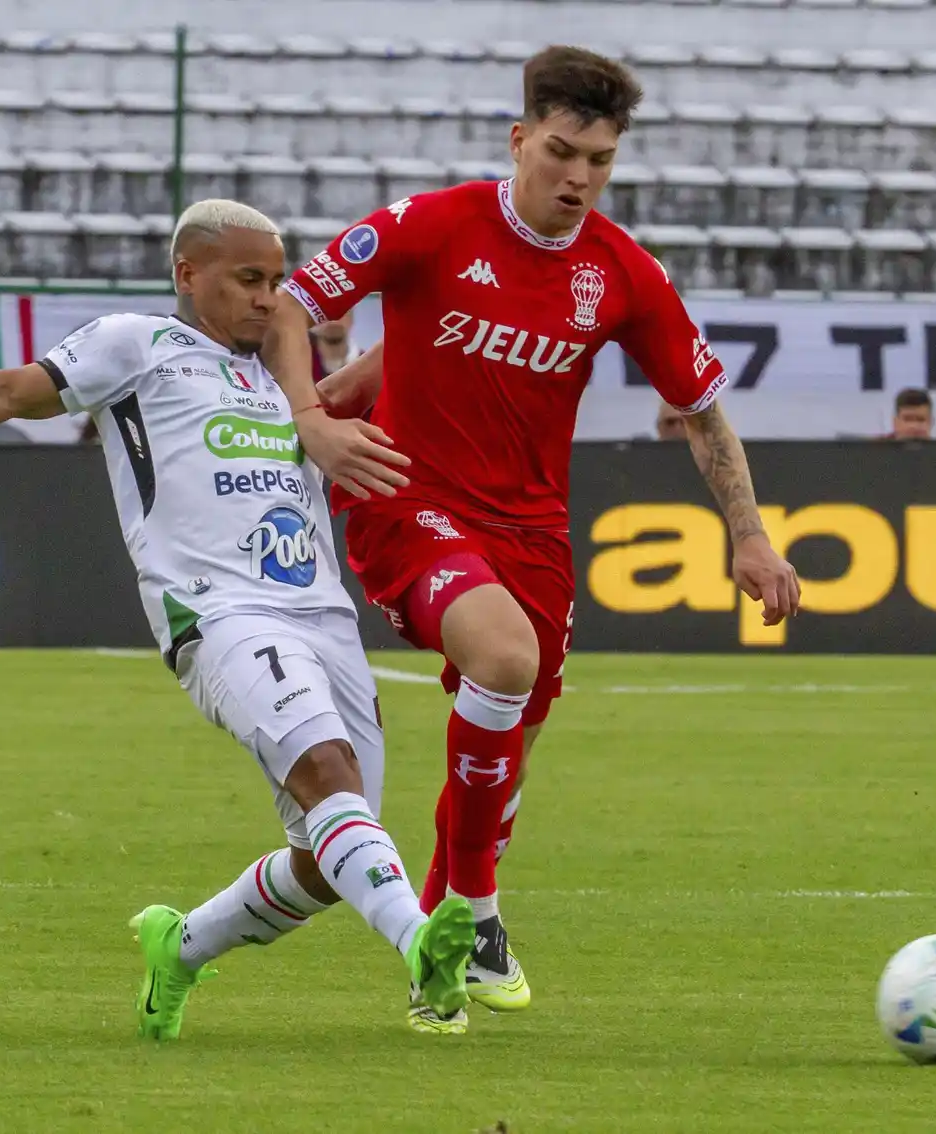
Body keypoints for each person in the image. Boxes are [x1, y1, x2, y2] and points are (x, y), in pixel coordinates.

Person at [0, 199, 476, 1041]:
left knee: (327, 859)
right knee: (326, 769)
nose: (268, 298)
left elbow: (400, 363)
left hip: (323, 618)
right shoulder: (139, 345)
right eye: (246, 280)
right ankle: (423, 953)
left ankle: (181, 947)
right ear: (187, 274)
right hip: (219, 613)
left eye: (276, 281)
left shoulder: (289, 379)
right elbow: (6, 391)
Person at [263, 46, 801, 1032]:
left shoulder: (622, 273)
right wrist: (311, 417)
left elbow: (703, 409)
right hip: (404, 497)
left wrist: (752, 539)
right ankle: (473, 908)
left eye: (600, 161)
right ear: (520, 140)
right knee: (505, 659)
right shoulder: (431, 223)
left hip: (532, 531)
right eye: (562, 152)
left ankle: (441, 941)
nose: (579, 178)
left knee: (515, 722)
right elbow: (295, 302)